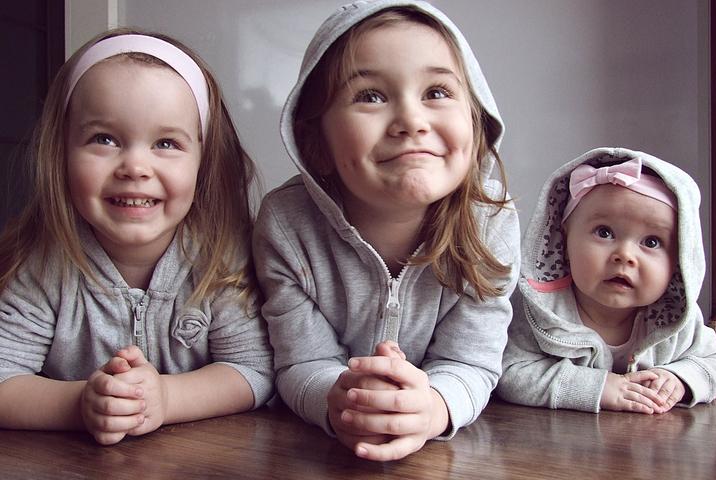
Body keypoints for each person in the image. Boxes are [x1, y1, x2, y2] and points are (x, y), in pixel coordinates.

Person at [253, 0, 520, 461]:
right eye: (370, 96)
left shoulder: (490, 220)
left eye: (437, 91)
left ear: (476, 121)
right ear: (316, 143)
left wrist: (433, 408)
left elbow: (471, 361)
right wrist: (340, 401)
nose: (412, 121)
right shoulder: (286, 224)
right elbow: (301, 362)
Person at [0, 29, 274, 445]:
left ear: (203, 163)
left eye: (166, 143)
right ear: (60, 153)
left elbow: (255, 369)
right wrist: (80, 404)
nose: (135, 167)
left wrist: (165, 398)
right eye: (104, 139)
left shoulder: (221, 260)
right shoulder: (44, 265)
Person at [497, 147, 716, 414]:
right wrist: (597, 387)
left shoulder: (677, 320)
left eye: (651, 242)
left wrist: (680, 379)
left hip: (648, 437)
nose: (625, 255)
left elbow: (713, 361)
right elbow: (509, 370)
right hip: (559, 437)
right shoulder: (540, 308)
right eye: (604, 232)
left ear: (679, 261)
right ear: (563, 240)